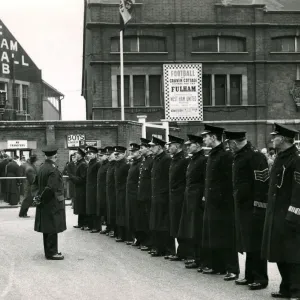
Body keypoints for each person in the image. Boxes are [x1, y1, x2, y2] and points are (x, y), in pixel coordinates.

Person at [225, 130, 269, 291]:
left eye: (229, 143)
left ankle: (260, 278)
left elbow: (262, 181)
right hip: (242, 206)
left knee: (255, 243)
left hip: (253, 206)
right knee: (248, 242)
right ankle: (250, 275)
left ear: (235, 142)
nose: (228, 147)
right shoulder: (240, 155)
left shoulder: (255, 156)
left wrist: (259, 205)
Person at [262, 123, 300, 300]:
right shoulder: (280, 157)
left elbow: (298, 190)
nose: (272, 139)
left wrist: (293, 213)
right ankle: (286, 287)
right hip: (276, 213)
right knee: (278, 252)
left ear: (283, 139)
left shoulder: (296, 159)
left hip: (289, 214)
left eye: (274, 136)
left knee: (292, 255)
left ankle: (296, 290)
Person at [202, 124, 240, 281]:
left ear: (213, 137)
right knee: (214, 234)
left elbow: (229, 181)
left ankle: (232, 268)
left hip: (223, 203)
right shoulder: (212, 154)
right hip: (212, 202)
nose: (204, 138)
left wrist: (223, 199)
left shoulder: (226, 155)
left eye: (206, 136)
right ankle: (218, 266)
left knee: (226, 236)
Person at [177, 134, 207, 271]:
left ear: (199, 146)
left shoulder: (202, 160)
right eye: (187, 145)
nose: (188, 147)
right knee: (191, 228)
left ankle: (200, 259)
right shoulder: (193, 160)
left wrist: (203, 197)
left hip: (197, 198)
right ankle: (195, 257)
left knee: (197, 229)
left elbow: (204, 181)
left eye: (191, 145)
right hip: (189, 198)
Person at [34, 145, 66, 260]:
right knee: (52, 227)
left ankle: (49, 251)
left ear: (46, 156)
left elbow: (35, 184)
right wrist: (42, 198)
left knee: (47, 228)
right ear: (55, 156)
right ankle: (52, 253)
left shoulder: (42, 167)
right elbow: (51, 188)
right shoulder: (53, 169)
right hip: (51, 202)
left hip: (44, 202)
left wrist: (37, 197)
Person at [165, 135, 189, 262]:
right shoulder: (174, 160)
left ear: (178, 146)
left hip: (180, 197)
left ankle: (184, 252)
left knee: (181, 225)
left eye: (171, 145)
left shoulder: (184, 160)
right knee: (175, 225)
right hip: (173, 197)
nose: (169, 148)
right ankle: (180, 252)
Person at [148, 136, 172, 257]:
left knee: (164, 224)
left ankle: (167, 249)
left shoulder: (166, 159)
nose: (151, 148)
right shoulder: (156, 159)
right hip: (156, 195)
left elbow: (168, 179)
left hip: (163, 196)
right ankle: (158, 247)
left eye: (153, 146)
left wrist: (164, 194)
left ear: (160, 147)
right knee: (156, 222)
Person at [136, 138, 153, 252]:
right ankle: (144, 240)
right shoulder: (145, 160)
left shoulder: (151, 160)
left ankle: (149, 242)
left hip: (148, 195)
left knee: (148, 220)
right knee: (143, 219)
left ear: (148, 148)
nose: (140, 150)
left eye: (142, 148)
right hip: (142, 194)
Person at [126, 143, 143, 247]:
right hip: (131, 194)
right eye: (131, 151)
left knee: (138, 218)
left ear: (139, 152)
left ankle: (140, 239)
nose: (131, 153)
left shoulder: (140, 163)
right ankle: (136, 238)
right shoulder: (133, 163)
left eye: (134, 151)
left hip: (136, 194)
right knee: (132, 217)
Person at [68, 148, 88, 229]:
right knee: (80, 206)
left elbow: (83, 179)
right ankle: (81, 223)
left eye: (76, 154)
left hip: (82, 189)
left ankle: (84, 223)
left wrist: (72, 177)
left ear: (80, 155)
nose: (75, 155)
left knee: (82, 206)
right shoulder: (80, 163)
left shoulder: (83, 164)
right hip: (79, 188)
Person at [114, 146, 130, 242]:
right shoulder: (117, 164)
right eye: (115, 154)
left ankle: (127, 236)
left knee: (124, 214)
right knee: (119, 214)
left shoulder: (126, 165)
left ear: (124, 154)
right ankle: (120, 234)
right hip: (118, 192)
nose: (116, 156)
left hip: (124, 192)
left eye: (118, 154)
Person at [85, 146, 101, 233]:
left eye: (90, 154)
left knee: (95, 207)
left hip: (94, 188)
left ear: (95, 154)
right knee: (90, 206)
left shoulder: (97, 164)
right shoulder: (90, 164)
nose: (89, 155)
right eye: (88, 154)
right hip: (89, 188)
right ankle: (91, 225)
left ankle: (97, 226)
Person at [97, 148, 110, 234]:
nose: (100, 157)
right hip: (101, 190)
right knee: (104, 209)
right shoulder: (102, 165)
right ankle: (108, 227)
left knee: (107, 209)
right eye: (99, 155)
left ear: (107, 156)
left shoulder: (108, 165)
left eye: (102, 155)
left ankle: (110, 227)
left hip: (106, 190)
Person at [106, 147, 117, 237]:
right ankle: (110, 228)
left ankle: (114, 229)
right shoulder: (110, 165)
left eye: (110, 155)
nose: (108, 156)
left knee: (113, 211)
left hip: (115, 192)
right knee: (110, 211)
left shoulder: (116, 165)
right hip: (109, 191)